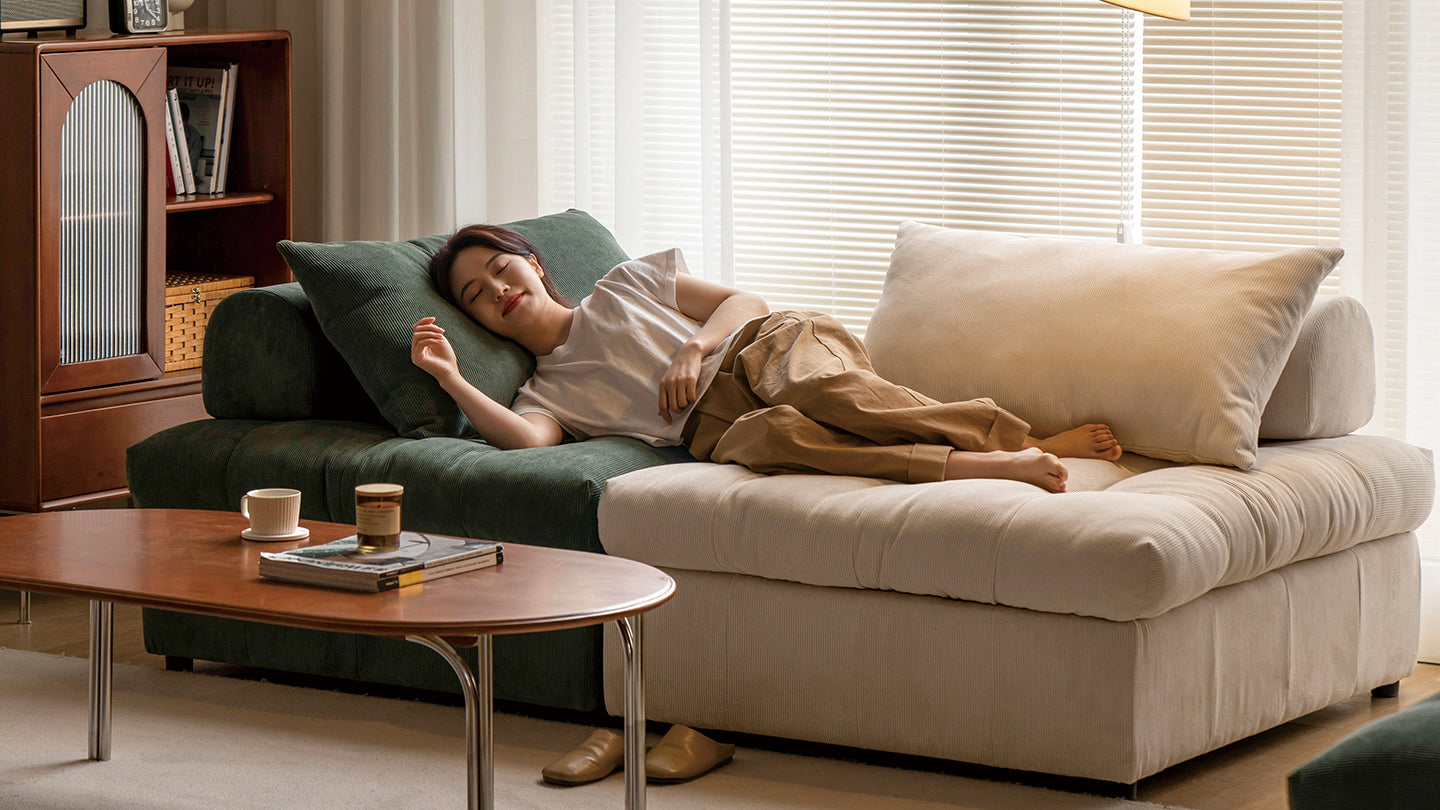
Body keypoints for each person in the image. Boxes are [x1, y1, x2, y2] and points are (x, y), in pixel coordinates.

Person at [410, 224, 1123, 785]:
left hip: (766, 347)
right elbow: (527, 442)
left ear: (532, 262)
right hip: (716, 425)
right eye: (475, 295)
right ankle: (982, 462)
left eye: (501, 268)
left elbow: (743, 302)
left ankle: (1021, 439)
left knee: (820, 394)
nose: (496, 289)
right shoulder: (546, 393)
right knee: (771, 439)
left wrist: (696, 348)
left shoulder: (625, 284)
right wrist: (450, 378)